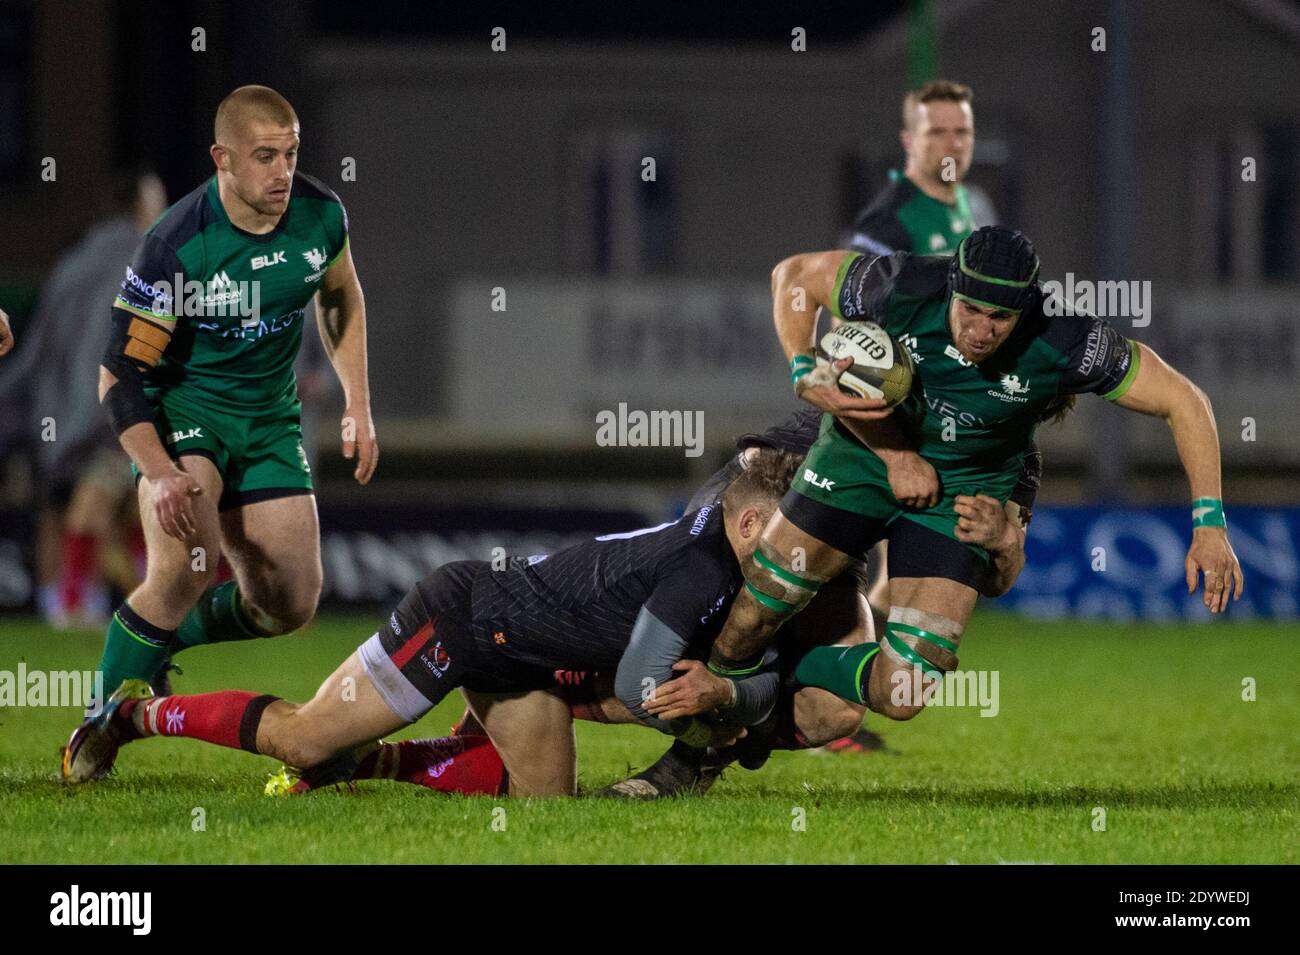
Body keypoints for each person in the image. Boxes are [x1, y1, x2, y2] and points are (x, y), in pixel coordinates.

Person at [671, 227, 1242, 731]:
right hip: (860, 458)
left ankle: (781, 667)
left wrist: (1210, 526)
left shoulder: (1065, 340)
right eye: (969, 309)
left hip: (963, 494)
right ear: (951, 287)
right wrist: (803, 364)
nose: (981, 330)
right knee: (759, 605)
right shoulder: (902, 285)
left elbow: (1185, 400)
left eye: (1000, 317)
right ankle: (699, 736)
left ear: (1026, 310)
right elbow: (793, 275)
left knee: (904, 693)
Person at [62, 455, 794, 795]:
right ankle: (132, 713)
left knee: (547, 811)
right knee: (302, 735)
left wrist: (726, 698)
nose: (794, 557)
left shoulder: (716, 531)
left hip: (522, 657)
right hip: (460, 618)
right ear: (752, 521)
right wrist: (721, 709)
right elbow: (641, 687)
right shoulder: (707, 566)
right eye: (786, 538)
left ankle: (368, 762)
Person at [67, 84, 378, 749]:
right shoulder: (178, 244)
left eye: (290, 153)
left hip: (269, 422)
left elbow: (340, 295)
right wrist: (158, 473)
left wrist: (358, 402)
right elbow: (118, 373)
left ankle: (160, 637)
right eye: (265, 156)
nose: (283, 172)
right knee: (184, 567)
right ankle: (96, 726)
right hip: (187, 413)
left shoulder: (320, 215)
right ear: (223, 159)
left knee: (291, 600)